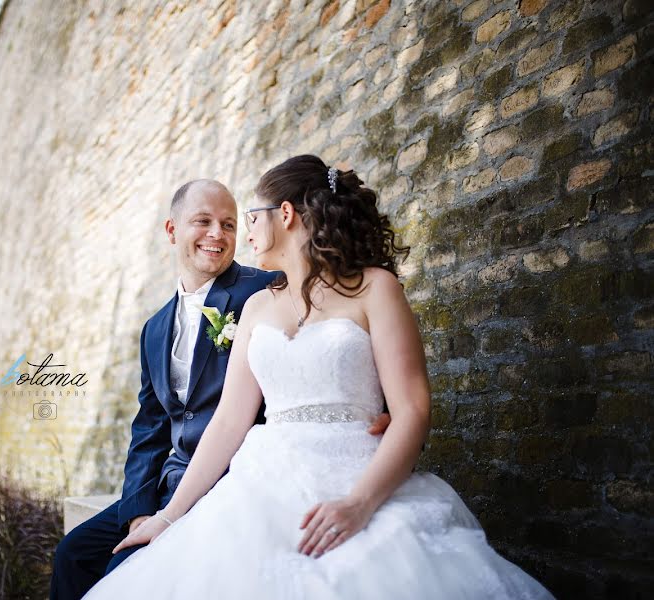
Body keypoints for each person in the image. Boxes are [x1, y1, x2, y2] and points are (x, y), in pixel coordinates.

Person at [82, 155, 555, 599]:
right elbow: (229, 422)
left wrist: (359, 504)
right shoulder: (255, 307)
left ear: (284, 214)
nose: (241, 232)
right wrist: (168, 518)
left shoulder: (374, 289)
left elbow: (412, 409)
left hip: (356, 473)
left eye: (248, 217)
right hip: (260, 487)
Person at [48, 177, 395, 600]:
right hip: (171, 480)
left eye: (230, 224)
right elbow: (149, 429)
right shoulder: (154, 329)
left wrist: (382, 403)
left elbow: (334, 339)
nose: (219, 234)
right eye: (204, 221)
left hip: (236, 476)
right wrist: (138, 512)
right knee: (72, 555)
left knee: (127, 573)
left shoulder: (266, 288)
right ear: (172, 230)